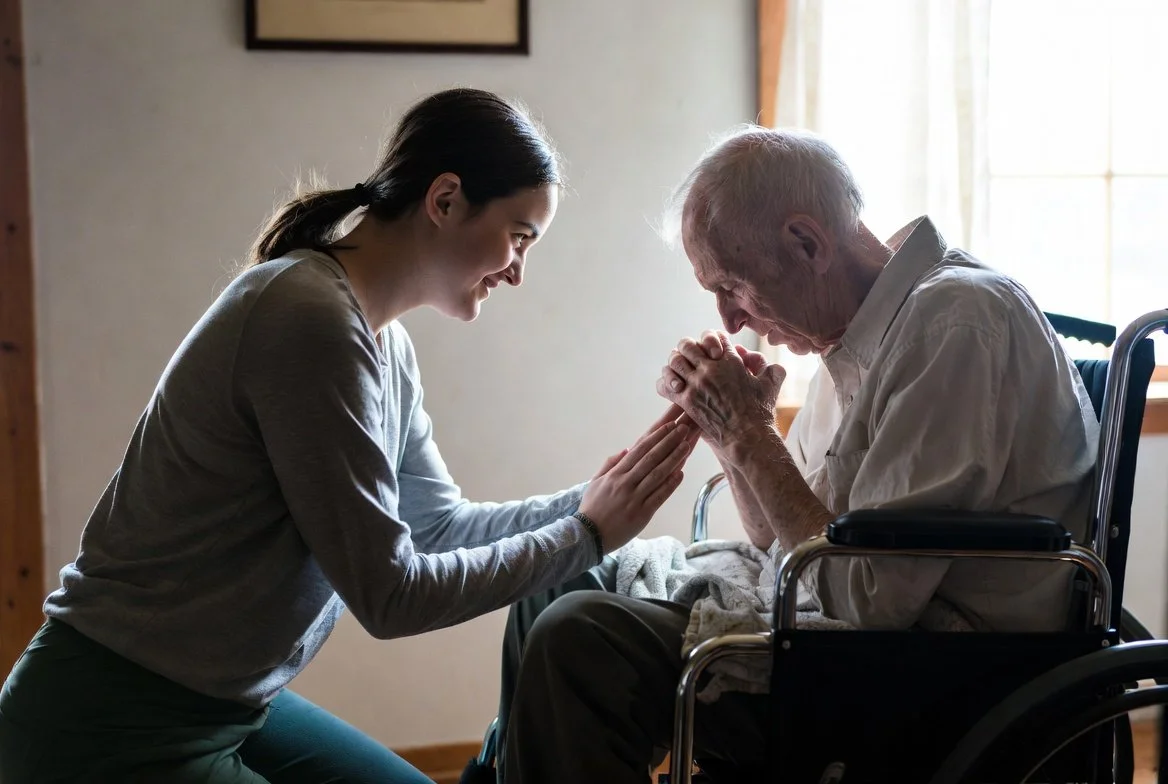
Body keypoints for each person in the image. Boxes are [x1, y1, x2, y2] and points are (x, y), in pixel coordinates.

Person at [0, 88, 700, 784]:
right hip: (107, 718)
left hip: (234, 706)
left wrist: (598, 502)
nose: (518, 270)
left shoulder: (381, 343)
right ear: (446, 199)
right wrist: (586, 533)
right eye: (519, 236)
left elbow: (435, 526)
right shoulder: (308, 321)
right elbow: (391, 595)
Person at [489, 126, 1100, 783]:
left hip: (945, 667)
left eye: (733, 287)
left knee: (579, 640)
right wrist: (730, 437)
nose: (729, 320)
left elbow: (868, 597)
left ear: (807, 243)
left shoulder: (954, 322)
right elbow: (783, 539)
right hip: (855, 625)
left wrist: (752, 434)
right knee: (556, 578)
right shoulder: (862, 329)